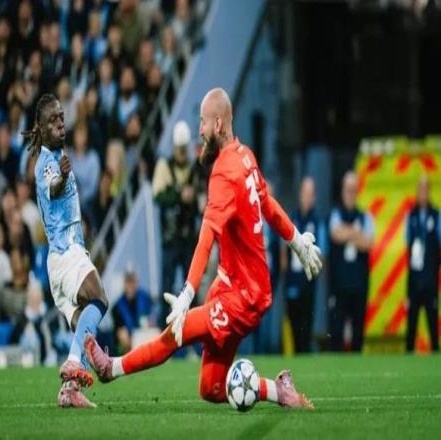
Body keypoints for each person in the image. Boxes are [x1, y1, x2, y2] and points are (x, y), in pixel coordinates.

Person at [85, 88, 322, 409]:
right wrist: (296, 240)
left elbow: (206, 237)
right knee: (211, 388)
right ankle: (278, 390)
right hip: (232, 284)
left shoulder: (225, 171)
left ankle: (110, 368)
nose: (200, 130)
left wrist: (187, 293)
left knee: (177, 332)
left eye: (203, 122)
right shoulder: (245, 155)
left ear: (218, 124)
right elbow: (267, 204)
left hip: (244, 297)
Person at [23, 94, 109, 408]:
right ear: (41, 128)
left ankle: (70, 389)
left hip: (61, 261)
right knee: (99, 299)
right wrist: (60, 175)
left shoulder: (58, 154)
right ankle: (73, 362)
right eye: (53, 120)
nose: (61, 123)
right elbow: (53, 186)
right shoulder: (45, 163)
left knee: (84, 328)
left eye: (61, 117)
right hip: (65, 251)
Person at [152, 120, 198, 328]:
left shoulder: (194, 169)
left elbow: (203, 197)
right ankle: (165, 333)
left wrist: (194, 198)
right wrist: (180, 195)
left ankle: (193, 333)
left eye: (184, 149)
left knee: (191, 288)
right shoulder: (164, 167)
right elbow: (158, 196)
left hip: (188, 238)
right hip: (170, 239)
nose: (182, 154)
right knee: (167, 286)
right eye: (179, 149)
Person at [329, 171, 374, 352]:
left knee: (358, 330)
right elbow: (335, 234)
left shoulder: (365, 217)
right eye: (348, 190)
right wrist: (355, 233)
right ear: (342, 191)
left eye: (353, 190)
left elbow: (368, 243)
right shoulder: (335, 214)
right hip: (340, 284)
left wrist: (347, 233)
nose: (350, 194)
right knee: (337, 330)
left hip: (359, 283)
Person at [282, 177, 326, 353]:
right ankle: (297, 354)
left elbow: (322, 252)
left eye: (310, 194)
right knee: (294, 324)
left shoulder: (317, 221)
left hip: (308, 280)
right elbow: (283, 249)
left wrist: (317, 270)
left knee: (306, 325)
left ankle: (305, 353)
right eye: (305, 193)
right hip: (292, 280)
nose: (307, 198)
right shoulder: (292, 219)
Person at [405, 175, 440, 352]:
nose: (423, 192)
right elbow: (408, 243)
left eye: (426, 189)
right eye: (420, 189)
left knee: (432, 322)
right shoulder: (411, 216)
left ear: (429, 191)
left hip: (431, 277)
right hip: (414, 278)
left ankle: (435, 355)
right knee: (411, 324)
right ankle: (408, 357)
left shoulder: (436, 215)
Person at [112, 268, 154, 354]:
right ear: (124, 283)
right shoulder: (117, 307)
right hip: (129, 342)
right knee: (123, 336)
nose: (131, 285)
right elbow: (121, 332)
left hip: (144, 336)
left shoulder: (145, 298)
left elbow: (153, 316)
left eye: (133, 282)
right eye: (129, 282)